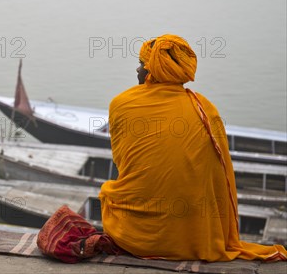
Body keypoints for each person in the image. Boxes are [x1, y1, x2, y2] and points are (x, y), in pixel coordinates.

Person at [97, 34, 286, 261]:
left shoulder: (122, 104)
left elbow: (124, 167)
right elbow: (218, 178)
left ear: (151, 70)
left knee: (108, 192)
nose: (137, 70)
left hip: (134, 236)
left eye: (141, 64)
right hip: (196, 239)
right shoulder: (204, 108)